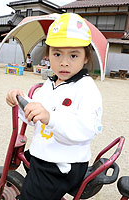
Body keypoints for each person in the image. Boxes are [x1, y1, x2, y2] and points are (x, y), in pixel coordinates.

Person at [6, 13, 102, 200]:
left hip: (63, 163)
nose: (64, 62)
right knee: (28, 159)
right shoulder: (50, 84)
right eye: (57, 54)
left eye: (73, 55)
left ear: (85, 58)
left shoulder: (86, 89)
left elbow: (86, 129)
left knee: (30, 195)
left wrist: (51, 118)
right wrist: (20, 100)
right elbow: (35, 114)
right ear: (48, 54)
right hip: (47, 154)